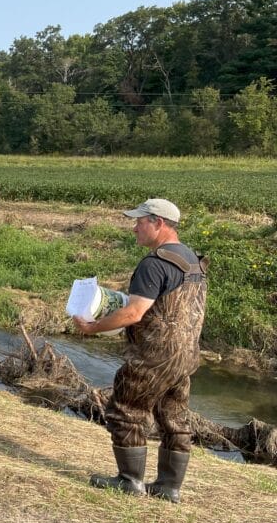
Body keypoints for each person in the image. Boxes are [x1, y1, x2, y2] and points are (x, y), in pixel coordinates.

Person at [73, 198, 207, 504]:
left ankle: (129, 480)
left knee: (125, 411)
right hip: (185, 356)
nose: (134, 227)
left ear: (158, 223)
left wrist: (92, 327)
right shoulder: (193, 261)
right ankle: (168, 487)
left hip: (152, 355)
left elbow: (134, 313)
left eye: (139, 221)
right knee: (174, 418)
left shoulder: (154, 263)